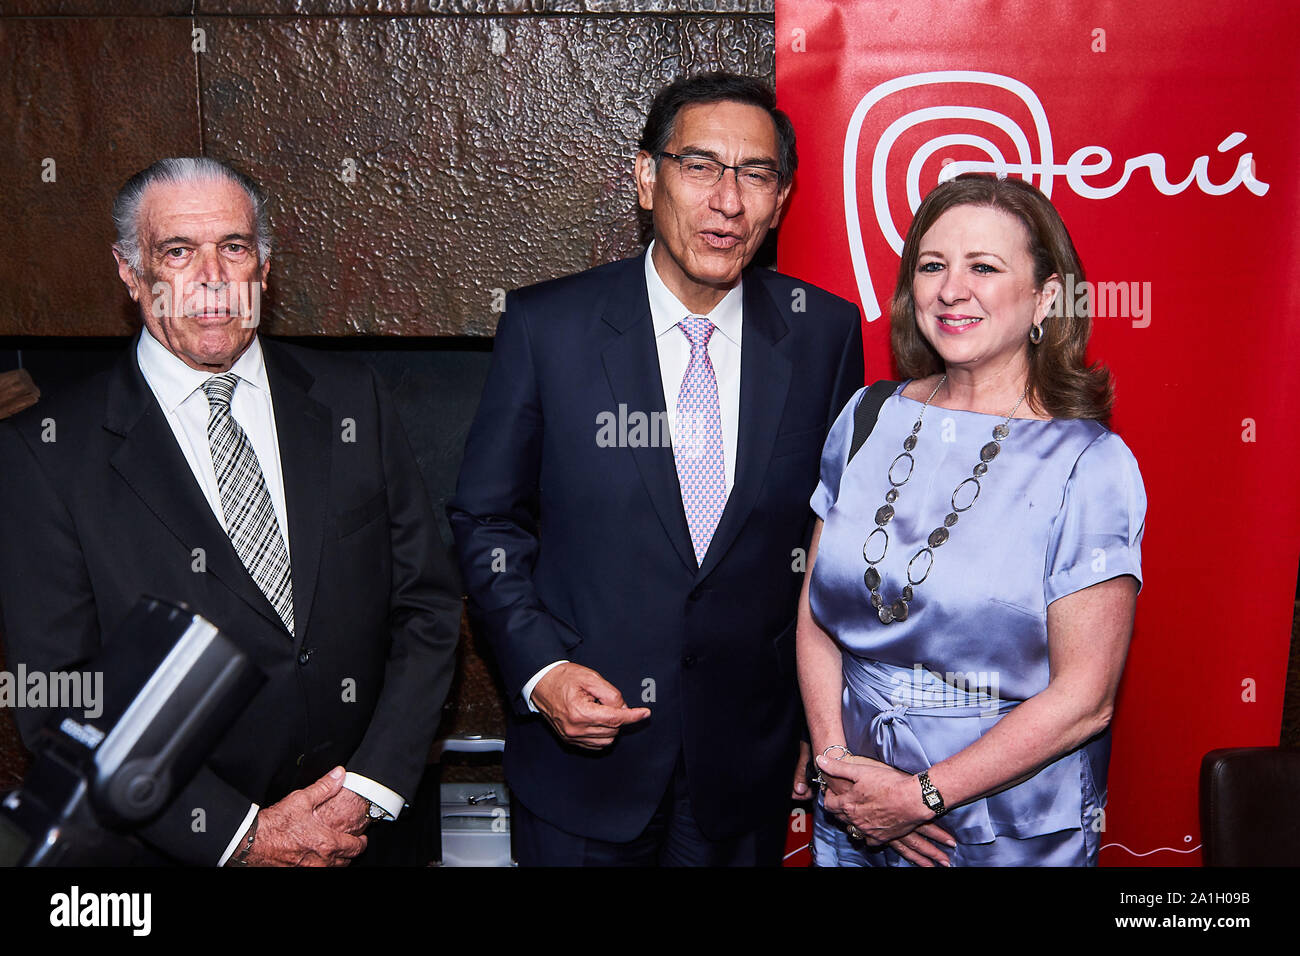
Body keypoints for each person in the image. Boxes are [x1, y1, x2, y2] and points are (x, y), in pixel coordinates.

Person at [448, 72, 864, 866]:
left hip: (746, 764)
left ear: (781, 198)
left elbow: (829, 539)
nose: (728, 201)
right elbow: (485, 518)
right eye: (700, 166)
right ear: (647, 177)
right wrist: (541, 669)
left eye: (756, 174)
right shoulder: (549, 327)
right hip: (583, 767)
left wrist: (823, 720)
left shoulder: (824, 335)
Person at [0, 157, 461, 866]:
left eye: (234, 248)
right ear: (130, 272)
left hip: (366, 832)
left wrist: (368, 786)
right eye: (177, 251)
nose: (211, 277)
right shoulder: (47, 453)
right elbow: (62, 700)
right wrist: (238, 833)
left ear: (264, 268)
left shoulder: (350, 399)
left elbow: (426, 605)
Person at [799, 173, 1145, 867]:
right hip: (853, 802)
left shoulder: (1090, 462)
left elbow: (1085, 699)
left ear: (1047, 297)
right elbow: (815, 611)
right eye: (933, 266)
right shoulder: (868, 416)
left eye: (984, 267)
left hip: (994, 824)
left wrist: (922, 796)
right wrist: (836, 762)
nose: (951, 289)